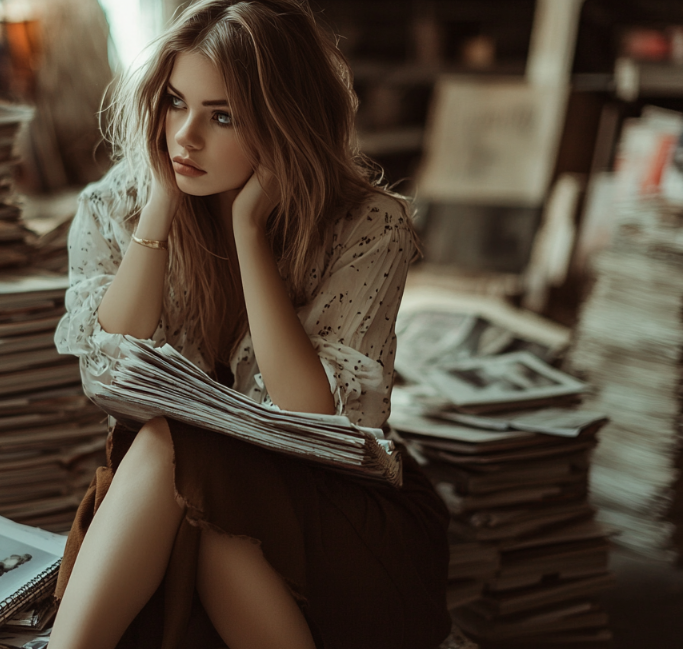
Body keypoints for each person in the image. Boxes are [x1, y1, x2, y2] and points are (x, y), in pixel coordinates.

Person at [48, 1, 452, 647]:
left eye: (223, 116)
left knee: (181, 452)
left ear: (283, 123)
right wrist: (158, 211)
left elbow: (310, 411)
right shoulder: (116, 202)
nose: (184, 137)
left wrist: (249, 234)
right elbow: (110, 367)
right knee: (177, 450)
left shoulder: (368, 223)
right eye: (175, 102)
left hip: (331, 507)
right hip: (169, 503)